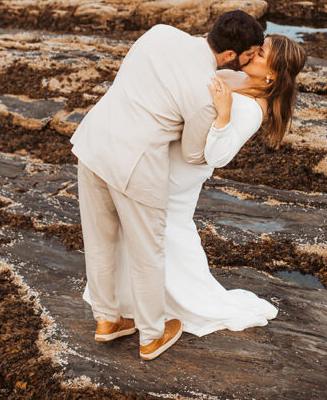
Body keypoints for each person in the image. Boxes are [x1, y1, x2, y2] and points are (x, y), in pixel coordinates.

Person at [71, 11, 264, 360]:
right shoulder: (206, 91)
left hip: (93, 143)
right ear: (234, 55)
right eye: (253, 53)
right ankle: (151, 336)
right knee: (148, 251)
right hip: (135, 164)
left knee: (99, 240)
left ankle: (106, 321)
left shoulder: (159, 33)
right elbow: (193, 154)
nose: (253, 59)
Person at [86, 34, 308, 338]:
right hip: (161, 163)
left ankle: (170, 309)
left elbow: (219, 156)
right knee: (142, 233)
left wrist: (224, 112)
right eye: (257, 46)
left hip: (181, 176)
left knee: (166, 234)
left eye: (261, 53)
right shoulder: (237, 78)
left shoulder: (255, 109)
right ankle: (129, 308)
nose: (253, 52)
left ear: (271, 73)